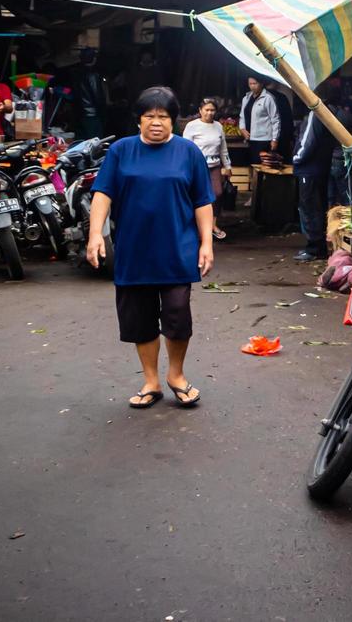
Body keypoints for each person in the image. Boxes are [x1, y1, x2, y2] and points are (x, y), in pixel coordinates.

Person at [87, 86, 215, 410]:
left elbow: (202, 201)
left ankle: (176, 375)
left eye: (163, 116)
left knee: (177, 315)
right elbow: (103, 193)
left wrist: (207, 244)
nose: (156, 122)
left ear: (173, 120)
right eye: (149, 116)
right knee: (139, 319)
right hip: (133, 250)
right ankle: (151, 381)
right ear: (138, 120)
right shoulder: (121, 151)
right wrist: (95, 235)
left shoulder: (188, 152)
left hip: (177, 249)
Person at [292, 85, 348, 262]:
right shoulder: (331, 112)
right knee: (318, 205)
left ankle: (314, 247)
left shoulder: (315, 114)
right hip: (321, 166)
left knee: (310, 207)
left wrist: (296, 158)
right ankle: (319, 247)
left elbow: (308, 141)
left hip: (309, 168)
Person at [183, 97, 232, 240]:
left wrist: (227, 166)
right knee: (196, 195)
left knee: (217, 193)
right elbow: (186, 149)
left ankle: (212, 225)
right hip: (196, 167)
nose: (209, 113)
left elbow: (223, 148)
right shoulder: (192, 126)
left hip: (214, 165)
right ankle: (195, 225)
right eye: (207, 110)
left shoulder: (218, 126)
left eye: (212, 110)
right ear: (200, 111)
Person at [239, 76, 280, 156]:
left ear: (261, 84)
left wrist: (275, 139)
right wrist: (242, 128)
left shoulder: (268, 98)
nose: (252, 86)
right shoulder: (246, 98)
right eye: (250, 84)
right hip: (249, 139)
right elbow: (242, 116)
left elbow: (275, 120)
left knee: (260, 165)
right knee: (250, 165)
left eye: (255, 83)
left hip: (264, 139)